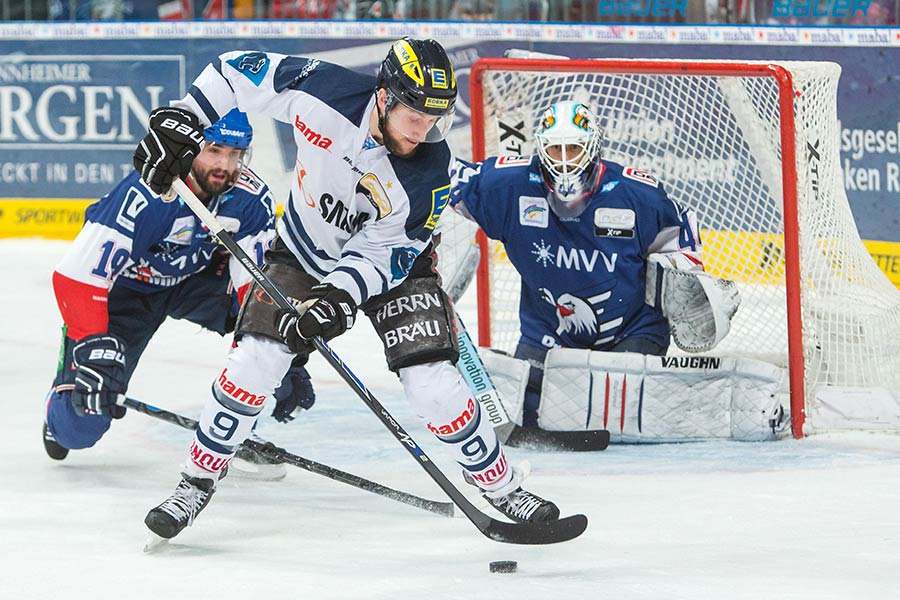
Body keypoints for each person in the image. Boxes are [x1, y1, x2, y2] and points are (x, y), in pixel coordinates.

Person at [133, 38, 562, 541]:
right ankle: (196, 481)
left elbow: (383, 253)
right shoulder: (324, 90)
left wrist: (337, 296)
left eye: (435, 117)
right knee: (254, 362)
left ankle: (501, 485)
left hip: (396, 270)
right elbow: (236, 70)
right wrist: (182, 118)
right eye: (415, 114)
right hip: (299, 251)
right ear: (384, 96)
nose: (424, 129)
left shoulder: (428, 171)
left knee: (433, 386)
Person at [43, 108, 315, 463]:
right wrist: (94, 345)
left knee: (266, 332)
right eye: (215, 150)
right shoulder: (147, 191)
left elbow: (256, 286)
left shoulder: (251, 197)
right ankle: (61, 398)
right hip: (128, 290)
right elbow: (76, 277)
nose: (226, 166)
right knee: (77, 428)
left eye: (236, 154)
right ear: (189, 148)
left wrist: (280, 352)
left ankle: (232, 416)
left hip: (194, 282)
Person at [450, 101, 740, 431]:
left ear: (593, 147)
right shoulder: (507, 186)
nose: (563, 161)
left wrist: (684, 276)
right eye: (554, 150)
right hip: (547, 332)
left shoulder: (635, 195)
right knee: (532, 419)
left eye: (572, 148)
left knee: (620, 422)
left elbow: (679, 230)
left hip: (632, 331)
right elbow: (444, 181)